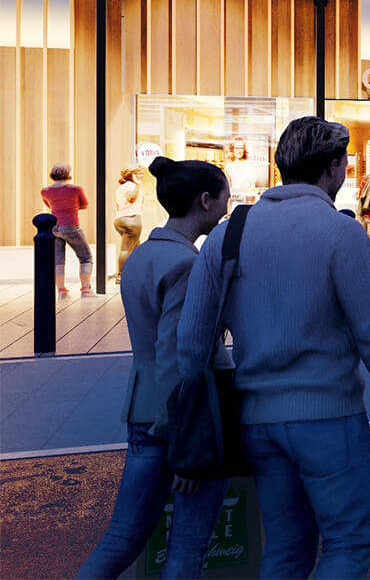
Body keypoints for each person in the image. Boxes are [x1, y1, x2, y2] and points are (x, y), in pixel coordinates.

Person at [177, 115, 370, 579]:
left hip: (257, 423)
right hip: (329, 417)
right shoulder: (340, 233)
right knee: (349, 544)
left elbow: (191, 343)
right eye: (343, 163)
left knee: (286, 550)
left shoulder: (230, 233)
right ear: (333, 167)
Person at [76, 156, 233, 580]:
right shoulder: (186, 264)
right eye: (224, 199)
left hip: (143, 409)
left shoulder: (144, 256)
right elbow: (179, 355)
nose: (226, 209)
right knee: (187, 545)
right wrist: (183, 443)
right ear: (205, 200)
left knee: (122, 537)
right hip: (180, 419)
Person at [40, 163, 93, 296]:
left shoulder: (45, 191)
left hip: (54, 228)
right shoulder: (75, 189)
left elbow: (49, 205)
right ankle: (85, 290)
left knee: (58, 260)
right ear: (68, 173)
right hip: (71, 226)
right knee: (85, 257)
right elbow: (84, 204)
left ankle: (61, 290)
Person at [113, 167, 144, 283]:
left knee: (136, 247)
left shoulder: (120, 188)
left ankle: (137, 273)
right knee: (126, 249)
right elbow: (131, 198)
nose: (142, 176)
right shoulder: (132, 186)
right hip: (132, 219)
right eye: (139, 173)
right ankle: (121, 276)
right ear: (133, 175)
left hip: (120, 220)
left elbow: (118, 206)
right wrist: (138, 185)